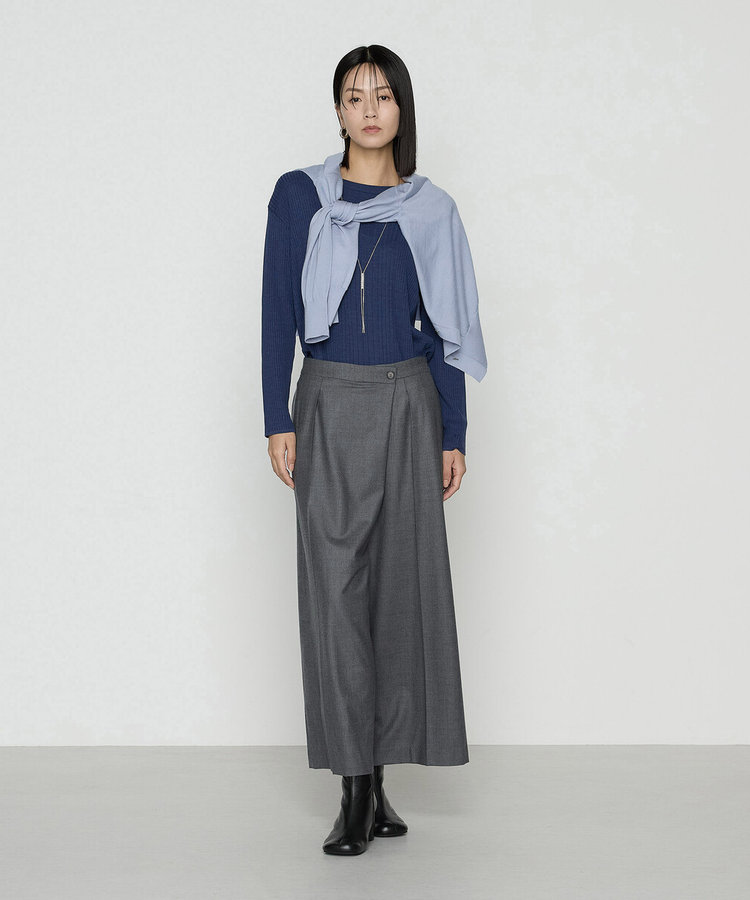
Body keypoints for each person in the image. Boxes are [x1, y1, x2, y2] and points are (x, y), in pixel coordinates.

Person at [261, 44, 487, 856]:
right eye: (354, 96)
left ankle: (377, 783)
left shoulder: (431, 210)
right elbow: (275, 311)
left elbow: (447, 327)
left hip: (409, 403)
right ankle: (353, 785)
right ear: (338, 111)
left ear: (402, 109)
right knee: (335, 590)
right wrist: (275, 416)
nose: (368, 109)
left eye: (383, 95)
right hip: (326, 401)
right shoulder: (301, 197)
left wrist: (454, 431)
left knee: (399, 592)